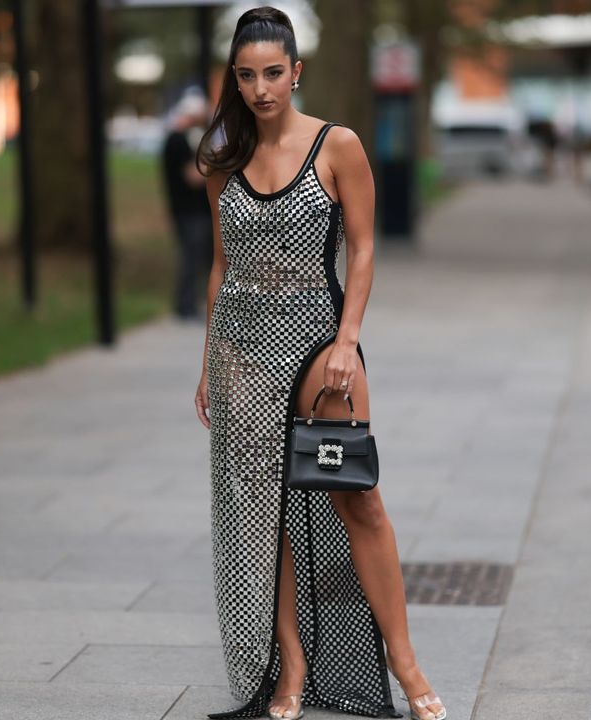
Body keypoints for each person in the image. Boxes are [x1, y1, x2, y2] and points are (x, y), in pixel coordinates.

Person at [193, 8, 446, 720]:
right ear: (235, 81)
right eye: (247, 76)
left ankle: (403, 661)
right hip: (243, 347)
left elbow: (363, 249)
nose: (261, 88)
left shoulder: (337, 146)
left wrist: (347, 338)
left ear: (296, 72)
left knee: (358, 497)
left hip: (319, 341)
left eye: (273, 73)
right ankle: (291, 666)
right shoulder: (223, 159)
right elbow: (220, 267)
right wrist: (209, 361)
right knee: (261, 511)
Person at [162, 90, 213, 319]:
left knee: (199, 255)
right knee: (191, 256)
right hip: (187, 210)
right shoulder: (177, 140)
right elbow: (193, 177)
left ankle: (192, 301)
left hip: (196, 210)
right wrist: (217, 166)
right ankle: (185, 305)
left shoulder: (192, 137)